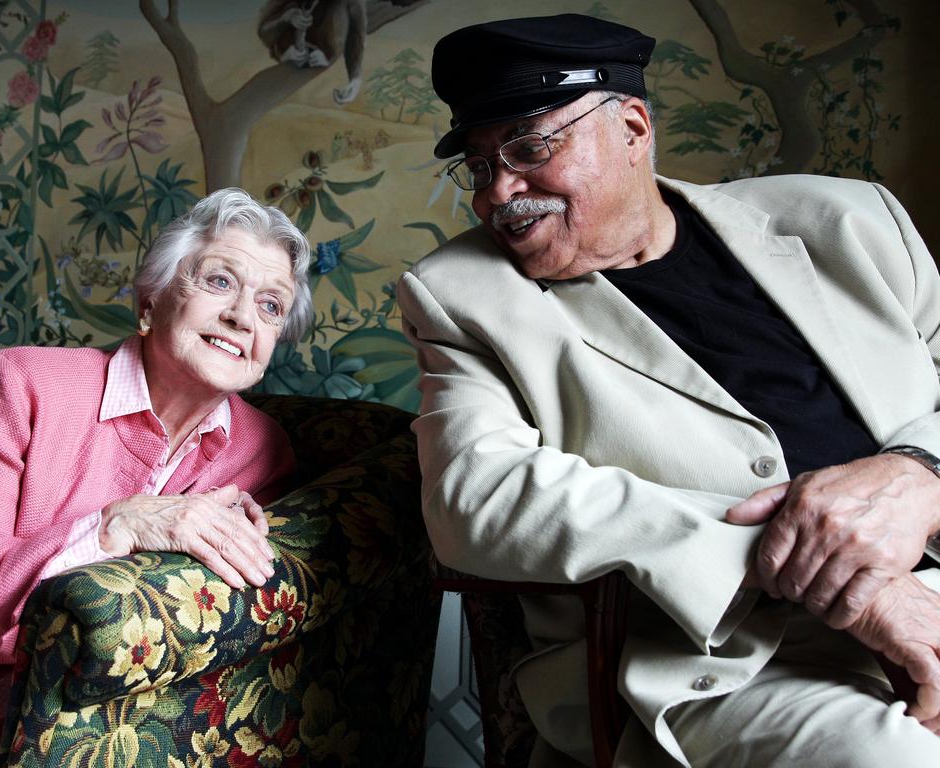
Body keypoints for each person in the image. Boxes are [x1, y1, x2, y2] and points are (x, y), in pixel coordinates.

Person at [397, 13, 940, 768]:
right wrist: (832, 572)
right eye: (482, 166)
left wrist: (920, 475)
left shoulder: (851, 223)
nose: (500, 194)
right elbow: (474, 499)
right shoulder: (462, 294)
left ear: (632, 127)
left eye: (528, 148)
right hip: (725, 668)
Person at [0, 187, 313, 767]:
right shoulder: (25, 389)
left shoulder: (263, 453)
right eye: (220, 281)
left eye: (271, 305)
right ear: (150, 301)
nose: (241, 316)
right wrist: (106, 530)